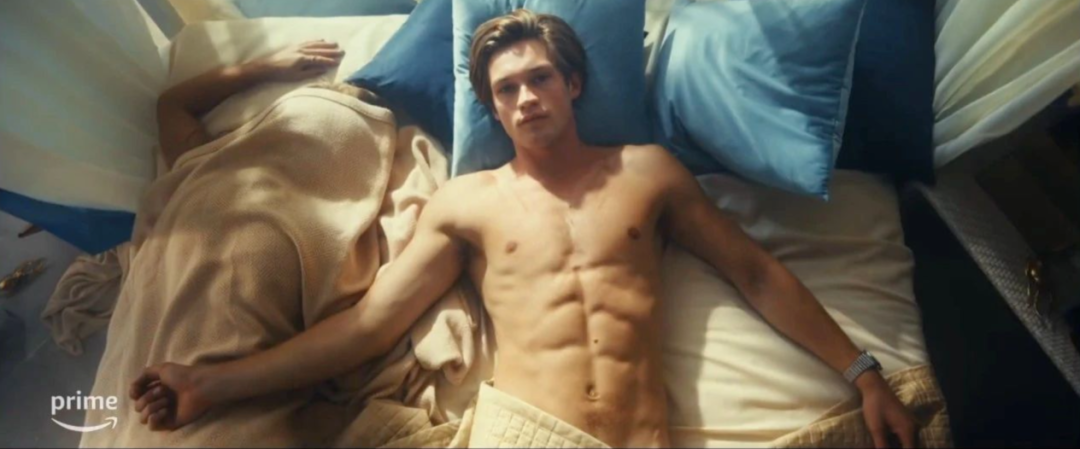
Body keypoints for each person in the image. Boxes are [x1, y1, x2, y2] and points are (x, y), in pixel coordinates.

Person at [131, 10, 917, 448]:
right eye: (506, 90)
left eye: (540, 78)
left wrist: (863, 373)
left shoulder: (648, 173)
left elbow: (754, 271)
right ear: (494, 110)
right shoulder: (466, 202)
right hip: (525, 435)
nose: (526, 98)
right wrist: (212, 381)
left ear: (572, 84)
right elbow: (370, 325)